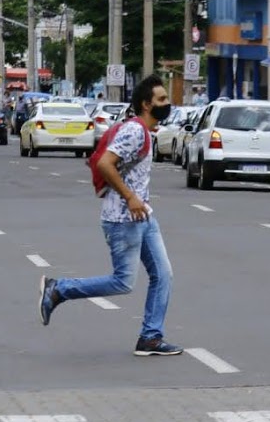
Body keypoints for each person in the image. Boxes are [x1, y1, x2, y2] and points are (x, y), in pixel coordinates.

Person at [38, 74, 182, 356]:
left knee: (163, 275)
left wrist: (138, 202)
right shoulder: (136, 131)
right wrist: (130, 198)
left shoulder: (143, 130)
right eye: (162, 99)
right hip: (123, 219)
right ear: (146, 104)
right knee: (123, 282)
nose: (168, 103)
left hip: (142, 216)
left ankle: (151, 338)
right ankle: (58, 289)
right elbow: (105, 164)